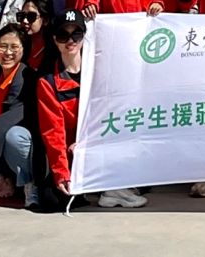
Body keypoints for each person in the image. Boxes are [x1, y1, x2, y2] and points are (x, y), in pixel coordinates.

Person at [35, 14, 147, 211]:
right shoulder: (48, 83)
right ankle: (102, 187)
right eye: (63, 35)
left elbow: (116, 113)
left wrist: (89, 141)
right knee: (52, 200)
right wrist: (62, 173)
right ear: (54, 39)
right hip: (73, 152)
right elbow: (53, 132)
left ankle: (115, 188)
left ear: (84, 37)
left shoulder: (100, 72)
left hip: (102, 142)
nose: (70, 41)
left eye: (76, 34)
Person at [0, 24, 40, 209]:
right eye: (3, 46)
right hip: (2, 144)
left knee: (14, 136)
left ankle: (31, 185)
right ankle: (5, 181)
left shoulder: (24, 78)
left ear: (24, 50)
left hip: (30, 145)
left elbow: (3, 125)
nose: (8, 52)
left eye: (14, 47)